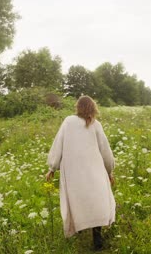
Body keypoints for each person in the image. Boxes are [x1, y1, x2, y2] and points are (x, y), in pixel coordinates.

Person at [46, 95, 115, 250]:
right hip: (94, 169)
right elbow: (106, 152)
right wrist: (109, 171)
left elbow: (58, 144)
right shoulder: (96, 125)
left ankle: (81, 229)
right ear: (93, 107)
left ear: (77, 107)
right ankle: (97, 238)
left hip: (73, 170)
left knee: (78, 197)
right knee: (96, 198)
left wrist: (52, 168)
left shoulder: (68, 122)